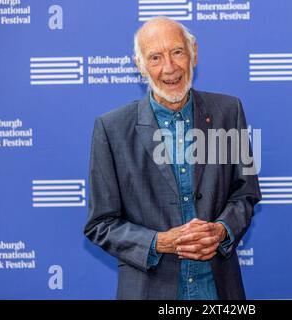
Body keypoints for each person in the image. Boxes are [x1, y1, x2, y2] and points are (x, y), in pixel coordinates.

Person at [84, 16, 261, 300]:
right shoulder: (111, 128)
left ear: (194, 53)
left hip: (218, 291)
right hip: (148, 291)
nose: (169, 67)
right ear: (140, 66)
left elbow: (246, 193)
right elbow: (100, 224)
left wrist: (222, 230)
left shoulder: (229, 111)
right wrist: (159, 242)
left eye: (177, 52)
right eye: (155, 57)